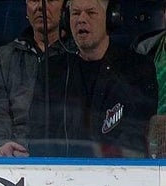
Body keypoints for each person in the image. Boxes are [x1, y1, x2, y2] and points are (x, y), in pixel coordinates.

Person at [26, 0, 157, 157]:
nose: (81, 19)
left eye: (91, 12)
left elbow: (135, 137)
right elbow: (39, 135)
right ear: (66, 20)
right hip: (61, 175)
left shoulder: (137, 69)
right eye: (75, 13)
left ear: (110, 19)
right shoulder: (52, 71)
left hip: (118, 173)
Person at [0, 0, 72, 157]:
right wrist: (2, 143)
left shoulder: (78, 54)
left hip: (68, 153)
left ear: (66, 8)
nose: (41, 7)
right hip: (14, 152)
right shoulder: (4, 56)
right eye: (34, 0)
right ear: (26, 9)